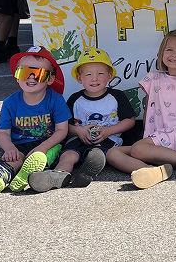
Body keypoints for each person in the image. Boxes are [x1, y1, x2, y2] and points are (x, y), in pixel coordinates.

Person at [109, 29, 176, 189]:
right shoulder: (153, 79)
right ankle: (154, 171)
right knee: (112, 153)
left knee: (138, 148)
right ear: (162, 52)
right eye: (170, 50)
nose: (175, 55)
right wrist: (148, 138)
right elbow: (148, 112)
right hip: (159, 140)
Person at [28, 48, 136, 192]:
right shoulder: (75, 99)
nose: (94, 78)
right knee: (68, 155)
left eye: (100, 74)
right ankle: (57, 176)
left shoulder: (117, 96)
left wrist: (109, 130)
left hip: (107, 139)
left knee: (98, 154)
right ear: (79, 78)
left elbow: (130, 120)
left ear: (109, 76)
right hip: (79, 138)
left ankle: (87, 172)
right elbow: (65, 126)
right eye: (88, 75)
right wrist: (78, 130)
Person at [0, 46, 71, 193]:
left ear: (50, 79)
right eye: (25, 72)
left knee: (43, 156)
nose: (31, 77)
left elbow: (62, 130)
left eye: (38, 74)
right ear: (17, 76)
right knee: (14, 158)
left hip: (48, 143)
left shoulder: (56, 100)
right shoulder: (10, 103)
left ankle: (28, 173)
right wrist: (9, 148)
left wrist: (43, 147)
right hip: (20, 145)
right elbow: (2, 132)